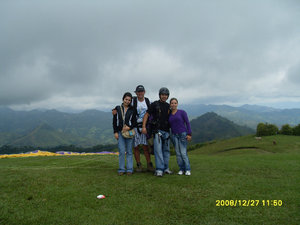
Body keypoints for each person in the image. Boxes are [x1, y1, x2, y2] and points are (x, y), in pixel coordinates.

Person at [142, 87, 172, 177]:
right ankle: (159, 169)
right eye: (162, 95)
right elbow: (147, 115)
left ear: (167, 96)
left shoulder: (168, 106)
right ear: (160, 95)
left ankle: (166, 168)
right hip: (157, 131)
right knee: (158, 151)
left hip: (166, 131)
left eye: (166, 95)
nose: (164, 96)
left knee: (166, 151)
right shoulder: (155, 104)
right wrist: (144, 126)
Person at [113, 92, 137, 176]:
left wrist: (129, 127)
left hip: (129, 133)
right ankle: (121, 169)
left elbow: (135, 122)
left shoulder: (133, 109)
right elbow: (114, 121)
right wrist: (115, 132)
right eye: (126, 99)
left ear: (131, 101)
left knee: (129, 151)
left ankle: (130, 169)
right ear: (123, 99)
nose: (127, 101)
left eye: (129, 100)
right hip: (120, 132)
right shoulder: (117, 108)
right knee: (122, 151)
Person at [132, 85, 155, 172]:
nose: (140, 93)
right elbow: (125, 105)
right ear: (136, 93)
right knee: (136, 147)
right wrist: (115, 109)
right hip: (135, 126)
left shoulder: (147, 101)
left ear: (144, 92)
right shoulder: (133, 101)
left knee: (146, 146)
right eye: (138, 91)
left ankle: (149, 164)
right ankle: (139, 165)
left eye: (141, 91)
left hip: (146, 126)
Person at [169, 98, 192, 176]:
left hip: (182, 134)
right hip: (174, 135)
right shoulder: (169, 114)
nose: (173, 104)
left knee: (183, 153)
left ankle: (188, 169)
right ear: (170, 104)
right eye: (172, 103)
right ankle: (181, 169)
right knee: (178, 154)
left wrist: (189, 134)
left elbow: (187, 123)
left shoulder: (182, 112)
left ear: (177, 104)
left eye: (175, 103)